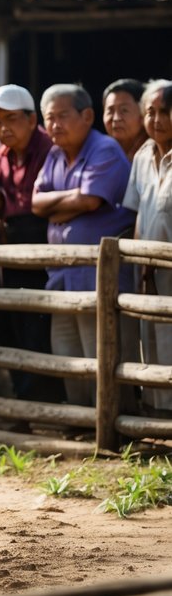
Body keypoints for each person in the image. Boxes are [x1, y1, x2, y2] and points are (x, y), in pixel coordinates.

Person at [33, 83, 136, 407]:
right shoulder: (54, 154)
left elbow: (90, 201)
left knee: (101, 355)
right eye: (49, 118)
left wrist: (57, 209)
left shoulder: (104, 149)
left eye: (62, 116)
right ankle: (79, 420)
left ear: (87, 116)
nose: (55, 125)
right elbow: (35, 203)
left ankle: (109, 421)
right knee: (67, 354)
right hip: (62, 276)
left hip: (99, 278)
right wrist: (73, 201)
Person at [0, 84, 65, 404]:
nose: (3, 128)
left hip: (46, 245)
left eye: (11, 119)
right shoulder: (0, 153)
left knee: (43, 324)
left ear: (31, 119)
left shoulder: (51, 148)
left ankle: (47, 402)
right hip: (11, 246)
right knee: (14, 324)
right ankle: (24, 401)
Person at [122, 80, 172, 413]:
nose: (156, 119)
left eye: (165, 111)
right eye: (150, 112)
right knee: (152, 337)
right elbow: (140, 212)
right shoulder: (142, 157)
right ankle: (158, 413)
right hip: (150, 272)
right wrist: (140, 263)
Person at [103, 79, 149, 163]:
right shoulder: (99, 152)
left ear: (143, 114)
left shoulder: (155, 153)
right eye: (110, 111)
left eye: (124, 110)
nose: (116, 118)